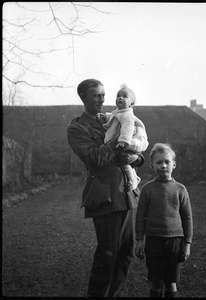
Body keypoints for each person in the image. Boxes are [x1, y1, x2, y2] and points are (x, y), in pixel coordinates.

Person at [67, 78, 144, 297]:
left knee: (126, 252)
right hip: (104, 195)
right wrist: (119, 139)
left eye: (103, 94)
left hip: (126, 192)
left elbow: (136, 145)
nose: (102, 99)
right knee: (107, 254)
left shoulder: (116, 116)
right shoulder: (77, 127)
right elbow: (95, 158)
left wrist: (137, 159)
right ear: (83, 98)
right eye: (96, 95)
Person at [135, 143, 193, 298]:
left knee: (171, 282)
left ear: (174, 164)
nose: (163, 166)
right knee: (156, 281)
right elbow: (140, 216)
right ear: (151, 166)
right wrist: (139, 240)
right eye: (159, 162)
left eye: (167, 162)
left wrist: (187, 244)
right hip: (153, 241)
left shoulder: (180, 189)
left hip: (175, 242)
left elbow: (187, 218)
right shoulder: (147, 189)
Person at [103, 84, 149, 191]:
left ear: (131, 104)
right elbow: (114, 117)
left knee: (124, 161)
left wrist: (123, 141)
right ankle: (133, 177)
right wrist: (105, 116)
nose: (120, 98)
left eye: (124, 96)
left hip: (124, 144)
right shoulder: (119, 113)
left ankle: (133, 179)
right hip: (118, 145)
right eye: (118, 95)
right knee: (123, 160)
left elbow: (127, 129)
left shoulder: (128, 116)